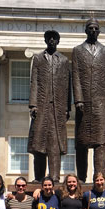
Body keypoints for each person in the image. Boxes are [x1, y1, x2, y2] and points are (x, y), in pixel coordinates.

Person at [72, 18, 105, 183]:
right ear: (86, 30)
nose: (93, 31)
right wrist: (78, 99)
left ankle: (99, 177)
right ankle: (81, 178)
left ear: (99, 31)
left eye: (96, 28)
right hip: (84, 104)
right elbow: (75, 75)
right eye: (90, 28)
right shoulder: (77, 50)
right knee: (81, 143)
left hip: (100, 104)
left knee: (101, 143)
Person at [28, 30, 71, 183]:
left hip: (57, 109)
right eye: (49, 38)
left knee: (54, 144)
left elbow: (68, 86)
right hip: (41, 106)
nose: (52, 40)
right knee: (38, 143)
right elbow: (34, 82)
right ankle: (39, 177)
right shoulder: (38, 58)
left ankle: (54, 176)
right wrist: (33, 105)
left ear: (58, 41)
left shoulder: (64, 61)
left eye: (54, 38)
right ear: (45, 40)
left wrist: (67, 108)